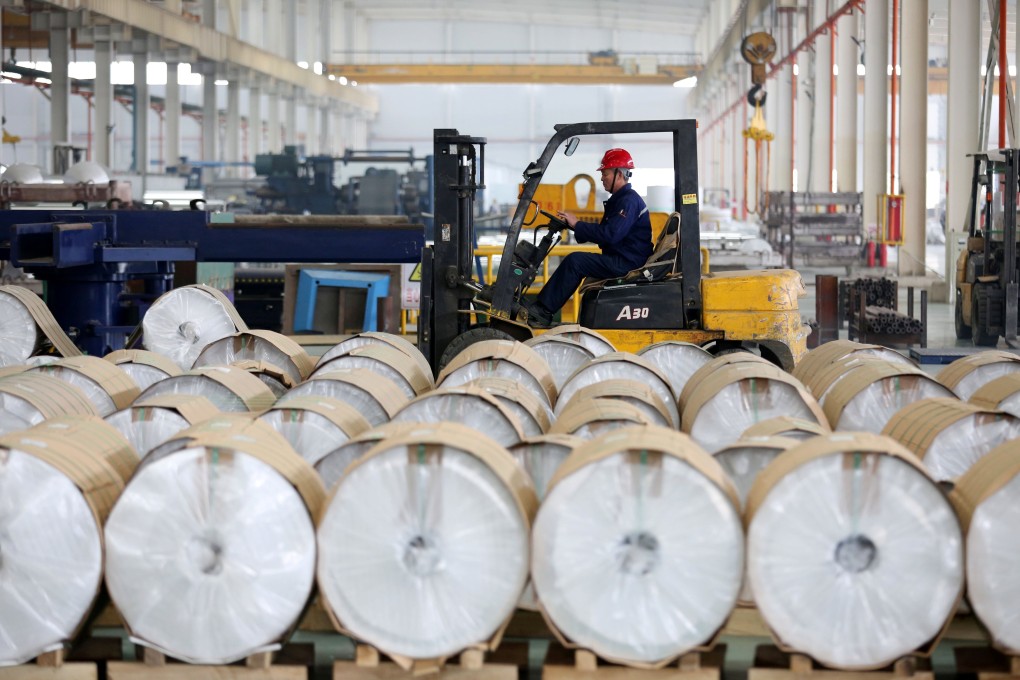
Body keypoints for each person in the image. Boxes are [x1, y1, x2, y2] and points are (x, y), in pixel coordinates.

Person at [527, 148, 653, 328]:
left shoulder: (628, 201)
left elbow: (610, 235)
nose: (602, 178)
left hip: (626, 262)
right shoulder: (621, 200)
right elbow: (605, 233)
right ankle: (542, 308)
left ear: (620, 174)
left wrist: (578, 225)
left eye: (605, 173)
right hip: (624, 257)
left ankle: (542, 311)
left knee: (575, 262)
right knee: (576, 260)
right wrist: (575, 226)